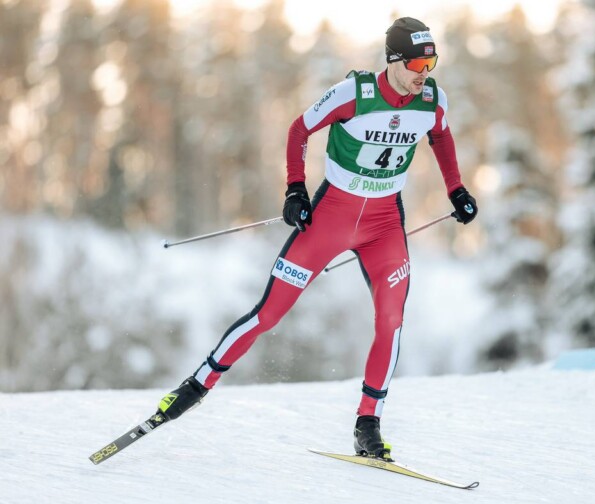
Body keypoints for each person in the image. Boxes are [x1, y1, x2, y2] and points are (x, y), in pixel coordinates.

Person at [155, 16, 478, 461]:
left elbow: (441, 137)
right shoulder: (354, 94)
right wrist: (294, 188)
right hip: (330, 218)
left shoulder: (432, 100)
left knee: (391, 321)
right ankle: (196, 385)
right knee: (268, 314)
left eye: (432, 63)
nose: (426, 74)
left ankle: (368, 422)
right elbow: (298, 130)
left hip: (384, 225)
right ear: (394, 60)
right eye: (419, 65)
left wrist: (456, 189)